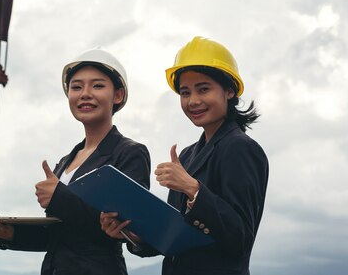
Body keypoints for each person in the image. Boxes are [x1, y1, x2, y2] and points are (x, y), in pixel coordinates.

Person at [100, 36, 269, 275]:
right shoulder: (188, 155)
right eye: (185, 92)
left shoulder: (241, 148)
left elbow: (240, 238)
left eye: (204, 89)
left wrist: (193, 189)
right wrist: (129, 233)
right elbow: (173, 237)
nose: (193, 101)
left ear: (229, 90)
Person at [0, 48, 151, 275]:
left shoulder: (129, 153)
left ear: (117, 95)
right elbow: (61, 236)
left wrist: (58, 197)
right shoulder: (66, 162)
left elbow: (124, 224)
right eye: (76, 87)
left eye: (97, 85)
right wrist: (8, 233)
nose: (85, 94)